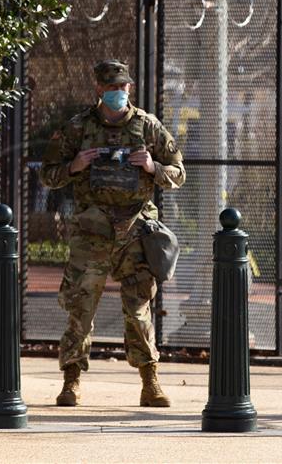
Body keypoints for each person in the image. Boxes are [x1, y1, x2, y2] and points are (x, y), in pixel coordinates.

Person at [40, 59, 185, 408]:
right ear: (98, 89)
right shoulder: (78, 128)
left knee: (138, 311)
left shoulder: (148, 127)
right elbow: (48, 175)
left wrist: (152, 167)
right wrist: (76, 166)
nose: (118, 93)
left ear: (129, 88)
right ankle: (71, 381)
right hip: (92, 232)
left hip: (136, 232)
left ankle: (150, 382)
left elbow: (179, 172)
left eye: (122, 87)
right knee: (80, 310)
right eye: (111, 88)